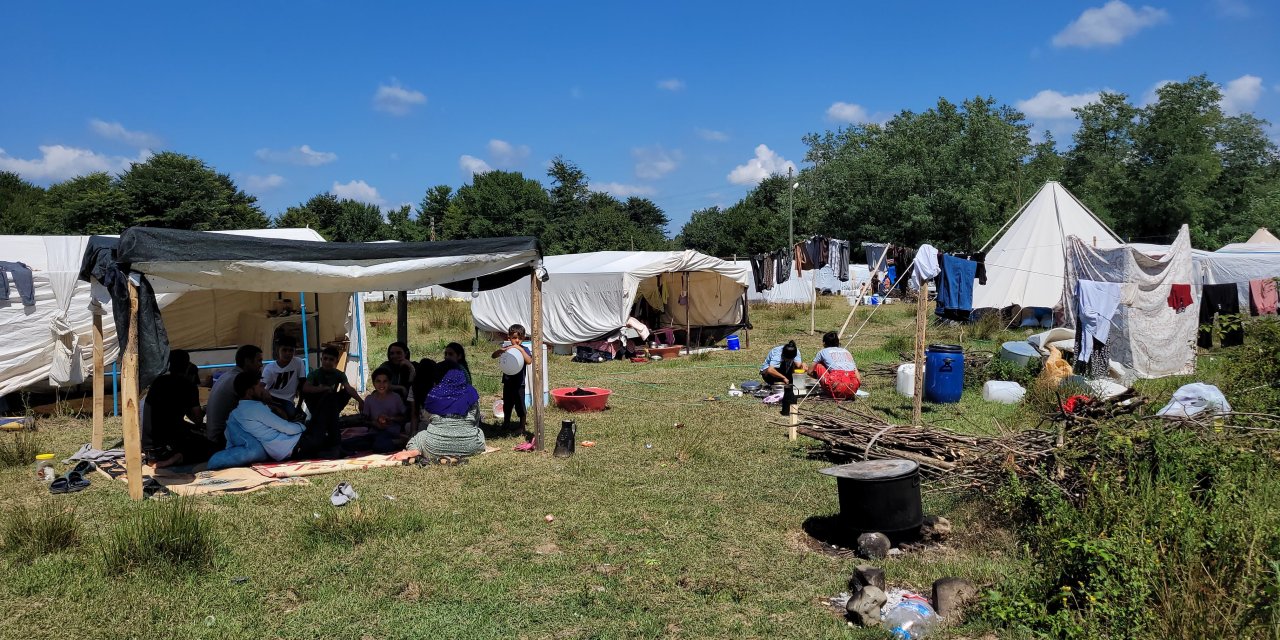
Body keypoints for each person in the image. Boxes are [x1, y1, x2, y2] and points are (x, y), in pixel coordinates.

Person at [207, 372, 306, 470]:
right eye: (260, 386)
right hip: (294, 443)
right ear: (250, 391)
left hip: (289, 445)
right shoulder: (255, 408)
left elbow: (229, 441)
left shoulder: (236, 413)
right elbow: (286, 427)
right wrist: (302, 426)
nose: (263, 389)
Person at [143, 350, 217, 468]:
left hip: (148, 447)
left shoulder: (158, 382)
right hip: (168, 445)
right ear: (187, 366)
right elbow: (197, 419)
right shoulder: (187, 386)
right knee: (213, 448)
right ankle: (179, 457)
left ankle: (160, 459)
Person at [401, 361, 484, 460]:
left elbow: (428, 419)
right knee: (479, 432)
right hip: (471, 446)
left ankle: (416, 450)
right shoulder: (471, 392)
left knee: (416, 438)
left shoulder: (434, 395)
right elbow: (476, 420)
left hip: (434, 447)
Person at [301, 346, 364, 447]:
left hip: (332, 405)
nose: (327, 362)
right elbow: (305, 388)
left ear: (336, 361)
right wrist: (322, 389)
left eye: (331, 359)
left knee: (343, 393)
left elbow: (349, 389)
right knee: (324, 396)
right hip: (317, 405)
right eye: (325, 359)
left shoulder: (339, 374)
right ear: (321, 360)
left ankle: (330, 424)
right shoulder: (315, 374)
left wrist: (360, 401)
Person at [205, 344, 264, 445]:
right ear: (247, 361)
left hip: (214, 435)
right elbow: (261, 408)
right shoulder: (239, 380)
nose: (261, 365)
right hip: (221, 438)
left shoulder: (227, 375)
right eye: (259, 361)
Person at [492, 324, 533, 434]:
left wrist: (520, 349)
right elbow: (493, 356)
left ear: (524, 338)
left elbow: (529, 361)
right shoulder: (507, 349)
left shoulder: (524, 349)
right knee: (508, 404)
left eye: (520, 338)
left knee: (520, 405)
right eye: (514, 338)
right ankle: (506, 423)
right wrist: (500, 351)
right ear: (509, 337)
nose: (517, 341)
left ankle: (522, 426)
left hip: (519, 384)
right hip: (508, 382)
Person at [356, 368, 409, 453]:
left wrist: (391, 418)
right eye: (378, 381)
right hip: (374, 433)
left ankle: (399, 442)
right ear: (373, 383)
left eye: (385, 381)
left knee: (379, 445)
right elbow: (364, 420)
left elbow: (405, 417)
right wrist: (374, 423)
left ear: (389, 383)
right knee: (352, 442)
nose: (381, 384)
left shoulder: (395, 398)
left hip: (392, 432)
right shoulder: (369, 399)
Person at [261, 337, 305, 418]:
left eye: (291, 350)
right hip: (271, 397)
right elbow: (262, 386)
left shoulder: (298, 362)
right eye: (284, 350)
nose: (287, 353)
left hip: (287, 400)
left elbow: (302, 384)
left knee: (291, 414)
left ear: (294, 351)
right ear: (278, 350)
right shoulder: (269, 368)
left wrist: (299, 405)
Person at [809, 331, 861, 399]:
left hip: (836, 387)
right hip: (852, 388)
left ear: (824, 343)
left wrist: (818, 378)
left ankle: (829, 390)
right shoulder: (846, 352)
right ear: (838, 342)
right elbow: (858, 378)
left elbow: (809, 371)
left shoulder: (822, 352)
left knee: (819, 365)